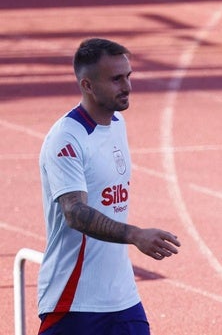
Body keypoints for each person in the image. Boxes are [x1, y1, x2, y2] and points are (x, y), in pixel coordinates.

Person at [37, 38, 181, 335]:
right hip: (74, 300)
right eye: (116, 79)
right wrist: (135, 235)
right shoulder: (66, 138)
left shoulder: (117, 124)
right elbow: (74, 212)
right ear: (87, 85)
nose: (127, 86)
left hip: (122, 298)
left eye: (128, 76)